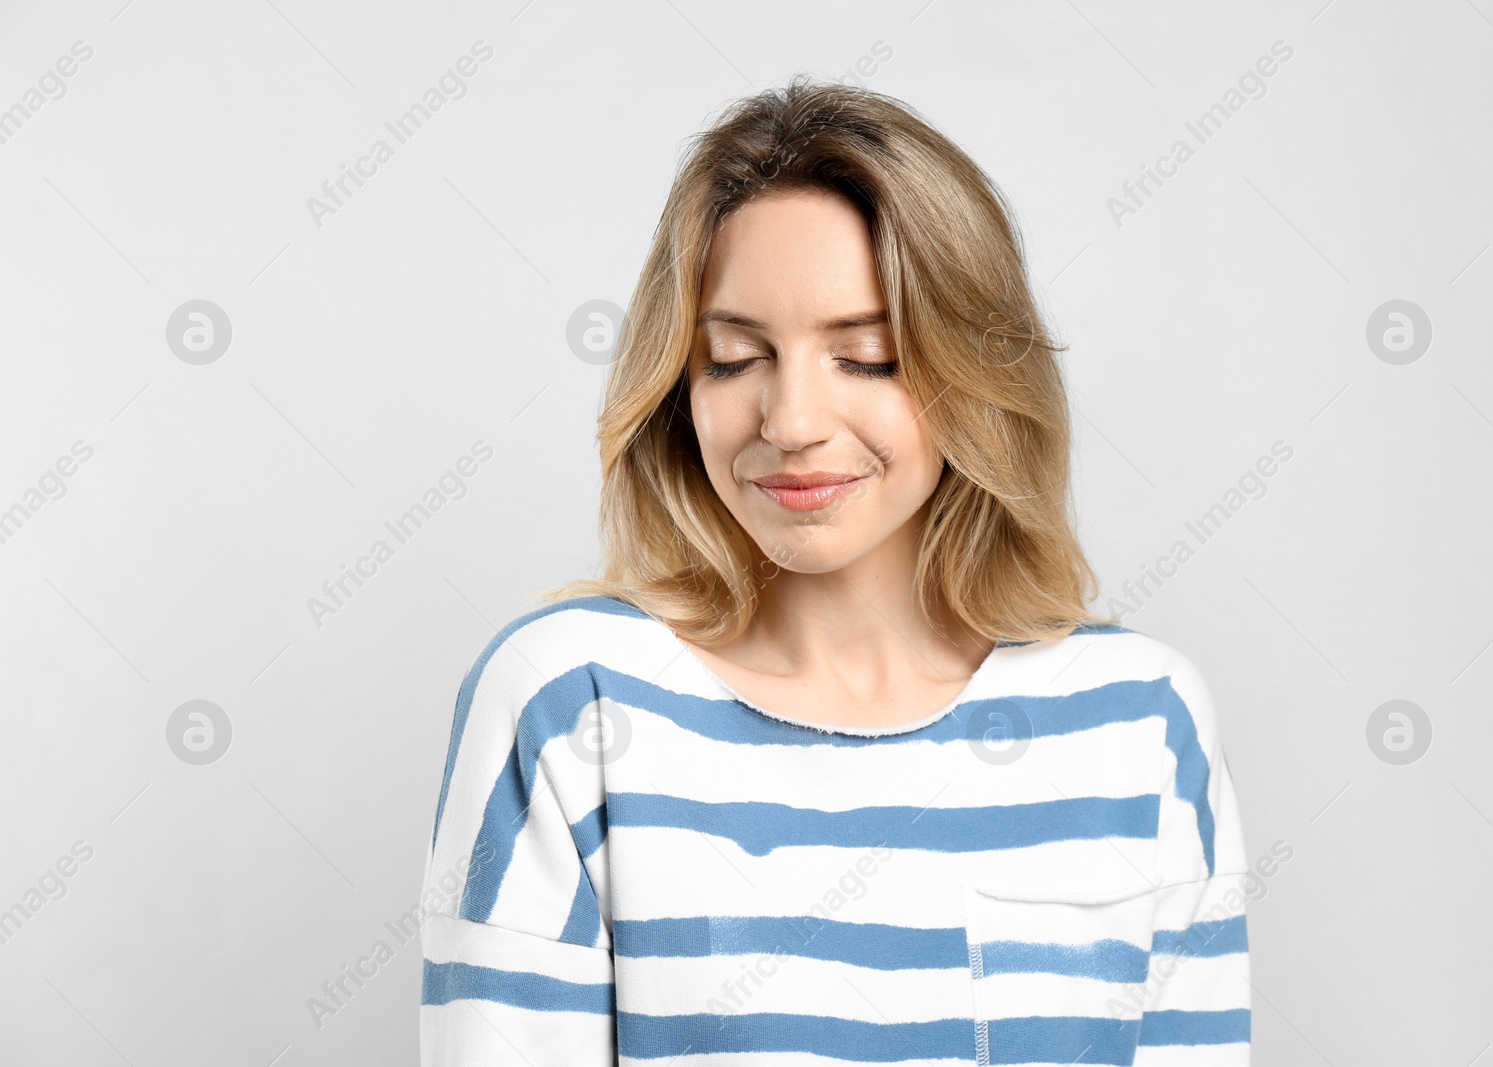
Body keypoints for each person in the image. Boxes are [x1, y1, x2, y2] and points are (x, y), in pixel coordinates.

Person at [420, 75, 1251, 1065]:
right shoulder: (570, 705)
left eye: (866, 356)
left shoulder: (1140, 721)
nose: (792, 422)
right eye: (733, 357)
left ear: (975, 370)